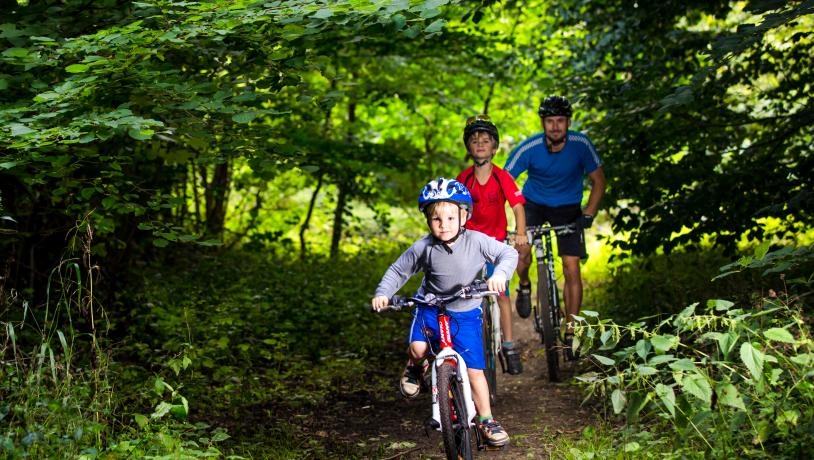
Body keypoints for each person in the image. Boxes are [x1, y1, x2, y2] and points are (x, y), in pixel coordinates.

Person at [371, 178, 517, 447]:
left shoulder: (477, 241)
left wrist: (500, 274)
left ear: (464, 215)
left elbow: (508, 253)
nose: (444, 224)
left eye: (451, 217)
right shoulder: (424, 247)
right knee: (417, 347)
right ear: (428, 220)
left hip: (465, 311)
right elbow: (398, 270)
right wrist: (383, 293)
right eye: (436, 218)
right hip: (431, 306)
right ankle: (416, 368)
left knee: (474, 372)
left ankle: (486, 420)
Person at [503, 95, 606, 359]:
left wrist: (589, 214)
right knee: (523, 253)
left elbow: (599, 181)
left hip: (568, 208)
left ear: (568, 122)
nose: (556, 127)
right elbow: (504, 180)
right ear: (543, 123)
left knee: (572, 267)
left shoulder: (581, 144)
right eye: (550, 121)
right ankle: (524, 285)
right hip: (534, 204)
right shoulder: (530, 148)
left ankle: (571, 332)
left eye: (561, 121)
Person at [455, 114, 529, 375]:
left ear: (494, 147)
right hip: (469, 246)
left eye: (486, 141)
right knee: (463, 295)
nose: (480, 145)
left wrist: (520, 234)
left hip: (496, 245)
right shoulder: (463, 179)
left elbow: (518, 207)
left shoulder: (502, 177)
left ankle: (508, 346)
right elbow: (452, 209)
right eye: (474, 141)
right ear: (469, 148)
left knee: (501, 294)